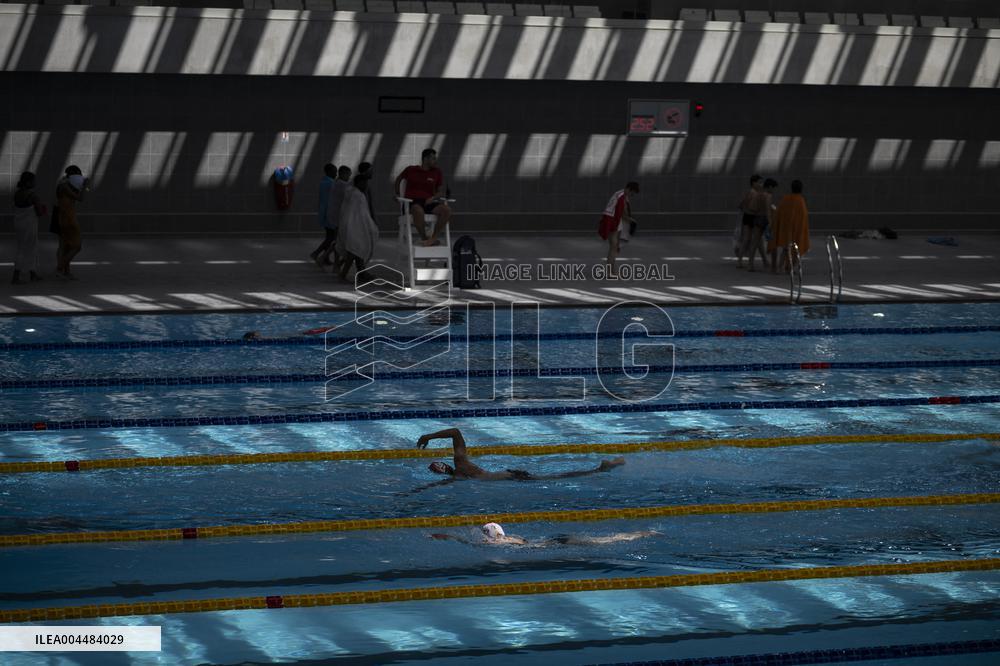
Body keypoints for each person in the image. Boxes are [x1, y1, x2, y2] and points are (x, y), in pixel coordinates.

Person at [417, 427, 625, 482]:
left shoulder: (459, 473)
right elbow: (455, 432)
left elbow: (455, 432)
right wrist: (428, 436)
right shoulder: (462, 465)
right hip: (508, 474)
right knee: (554, 477)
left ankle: (600, 469)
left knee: (556, 478)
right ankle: (605, 466)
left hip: (510, 477)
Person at [431, 522, 659, 547]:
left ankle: (641, 534)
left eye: (484, 534)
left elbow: (462, 540)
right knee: (605, 540)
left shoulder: (496, 544)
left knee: (602, 542)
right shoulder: (508, 538)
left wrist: (443, 536)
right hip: (554, 539)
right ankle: (641, 533)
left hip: (556, 543)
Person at [394, 148, 451, 246]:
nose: (435, 161)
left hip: (428, 202)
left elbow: (440, 192)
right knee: (417, 209)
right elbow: (398, 179)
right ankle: (424, 237)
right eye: (433, 158)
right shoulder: (411, 169)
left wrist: (432, 198)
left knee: (446, 210)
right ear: (425, 159)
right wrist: (397, 194)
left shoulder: (437, 172)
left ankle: (432, 239)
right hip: (412, 202)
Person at [334, 173, 380, 281]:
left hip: (348, 224)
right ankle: (344, 274)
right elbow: (361, 215)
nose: (366, 185)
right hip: (354, 226)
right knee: (354, 250)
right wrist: (371, 226)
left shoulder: (351, 192)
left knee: (355, 250)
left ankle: (361, 273)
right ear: (359, 183)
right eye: (365, 183)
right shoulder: (358, 195)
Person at [597, 181, 639, 279]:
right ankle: (610, 273)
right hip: (612, 220)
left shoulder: (620, 194)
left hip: (614, 220)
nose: (632, 196)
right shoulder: (621, 197)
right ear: (629, 189)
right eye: (632, 193)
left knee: (615, 248)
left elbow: (622, 212)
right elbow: (621, 214)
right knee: (613, 248)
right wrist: (632, 221)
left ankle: (612, 271)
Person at [768, 179, 811, 273]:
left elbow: (779, 212)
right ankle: (789, 268)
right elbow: (803, 217)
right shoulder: (801, 200)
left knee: (785, 249)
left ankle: (780, 268)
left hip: (786, 229)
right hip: (797, 230)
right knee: (796, 250)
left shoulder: (786, 199)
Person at [11, 171, 46, 285]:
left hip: (19, 223)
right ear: (28, 182)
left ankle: (32, 273)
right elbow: (39, 212)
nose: (35, 183)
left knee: (22, 247)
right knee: (30, 248)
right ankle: (16, 276)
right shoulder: (32, 195)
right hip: (29, 224)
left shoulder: (17, 194)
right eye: (33, 181)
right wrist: (43, 209)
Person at [55, 165, 88, 279]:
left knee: (66, 246)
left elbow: (82, 193)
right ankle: (60, 268)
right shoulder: (64, 186)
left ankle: (66, 272)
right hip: (68, 219)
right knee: (77, 246)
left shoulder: (64, 184)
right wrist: (85, 186)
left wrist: (85, 187)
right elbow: (81, 198)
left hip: (64, 217)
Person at [317, 165, 352, 268]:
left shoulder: (333, 183)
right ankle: (324, 258)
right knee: (336, 240)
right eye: (348, 175)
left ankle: (326, 258)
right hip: (337, 217)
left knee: (334, 239)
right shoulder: (337, 184)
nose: (349, 177)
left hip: (332, 215)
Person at [742, 178, 777, 272]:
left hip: (757, 218)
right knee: (772, 242)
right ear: (769, 187)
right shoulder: (768, 196)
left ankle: (750, 264)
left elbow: (752, 207)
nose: (773, 190)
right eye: (773, 188)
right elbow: (768, 211)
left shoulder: (758, 195)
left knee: (755, 242)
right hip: (766, 219)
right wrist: (770, 222)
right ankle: (773, 267)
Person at [310, 163, 337, 265]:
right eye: (335, 171)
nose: (336, 173)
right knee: (332, 237)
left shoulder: (323, 182)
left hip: (324, 212)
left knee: (329, 236)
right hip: (329, 213)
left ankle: (325, 258)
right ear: (330, 172)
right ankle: (316, 253)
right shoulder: (331, 183)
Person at [735, 174, 763, 269]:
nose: (761, 184)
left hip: (749, 216)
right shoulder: (752, 192)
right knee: (750, 240)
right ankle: (744, 261)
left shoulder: (754, 192)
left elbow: (742, 204)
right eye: (759, 182)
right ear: (754, 183)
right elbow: (743, 203)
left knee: (748, 240)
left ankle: (740, 261)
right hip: (751, 217)